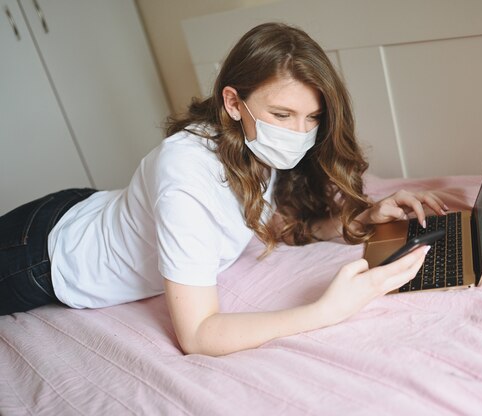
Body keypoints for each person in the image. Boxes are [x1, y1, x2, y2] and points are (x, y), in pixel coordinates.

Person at [0, 23, 447, 356]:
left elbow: (271, 226)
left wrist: (361, 219)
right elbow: (197, 335)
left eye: (312, 118)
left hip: (84, 207)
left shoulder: (251, 145)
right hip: (44, 256)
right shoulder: (187, 173)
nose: (300, 133)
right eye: (282, 115)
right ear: (233, 102)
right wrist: (326, 311)